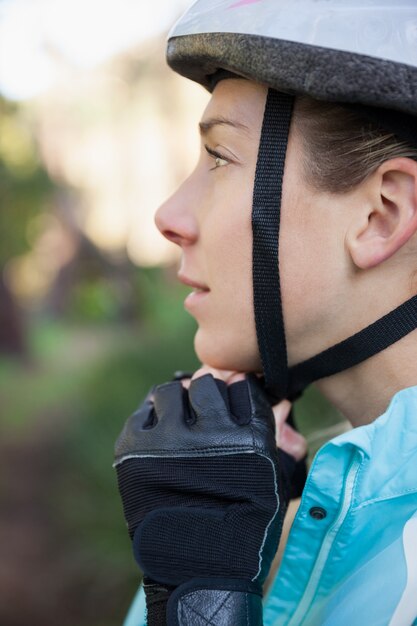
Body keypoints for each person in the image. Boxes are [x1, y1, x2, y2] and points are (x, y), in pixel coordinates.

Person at [114, 1, 417, 624]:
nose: (168, 215)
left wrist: (201, 606)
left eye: (220, 158)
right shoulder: (258, 511)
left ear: (380, 214)